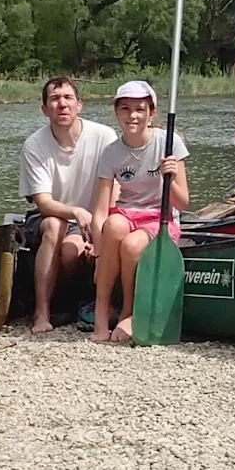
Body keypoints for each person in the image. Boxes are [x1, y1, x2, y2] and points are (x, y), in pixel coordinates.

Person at [90, 81, 190, 343]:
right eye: (125, 109)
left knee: (133, 246)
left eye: (139, 109)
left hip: (161, 217)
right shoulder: (111, 152)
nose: (132, 115)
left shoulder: (169, 143)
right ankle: (101, 313)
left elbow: (183, 202)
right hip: (127, 213)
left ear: (151, 113)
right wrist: (99, 255)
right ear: (116, 113)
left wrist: (170, 174)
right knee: (112, 226)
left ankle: (130, 313)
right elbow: (100, 211)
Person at [18, 77, 117, 333]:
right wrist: (75, 211)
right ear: (44, 109)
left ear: (79, 105)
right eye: (54, 99)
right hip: (51, 217)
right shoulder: (34, 145)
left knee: (71, 254)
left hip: (96, 217)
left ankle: (82, 302)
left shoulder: (104, 136)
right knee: (53, 225)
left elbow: (115, 189)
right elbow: (42, 202)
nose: (62, 104)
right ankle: (41, 314)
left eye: (67, 98)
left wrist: (99, 229)